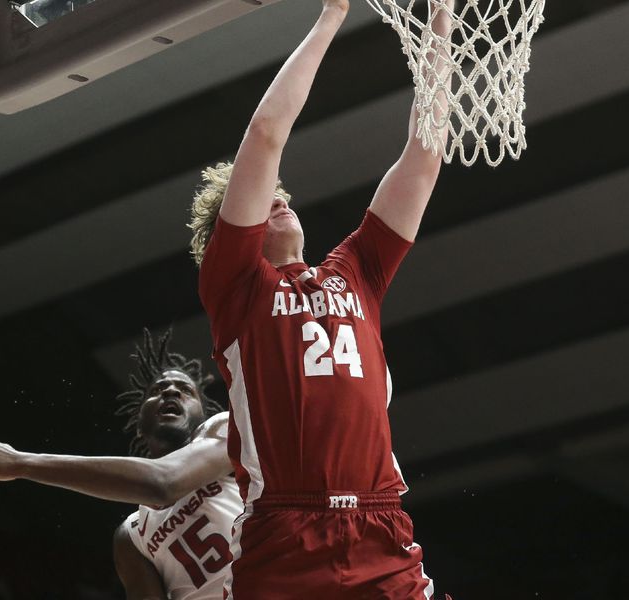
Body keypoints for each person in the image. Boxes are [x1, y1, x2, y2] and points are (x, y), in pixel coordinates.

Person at [188, 0, 453, 597]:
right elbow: (265, 134)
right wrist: (333, 12)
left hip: (380, 524)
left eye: (286, 195)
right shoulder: (237, 288)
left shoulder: (357, 270)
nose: (280, 199)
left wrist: (441, 26)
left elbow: (426, 154)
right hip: (285, 533)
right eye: (265, 199)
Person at [0, 329, 240, 600]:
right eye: (157, 390)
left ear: (203, 414)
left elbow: (163, 483)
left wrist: (21, 462)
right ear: (139, 425)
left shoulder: (225, 430)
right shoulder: (131, 536)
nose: (171, 392)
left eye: (185, 390)